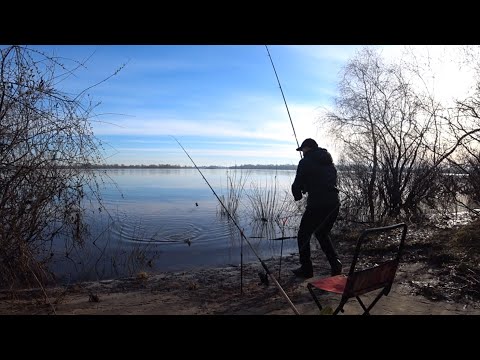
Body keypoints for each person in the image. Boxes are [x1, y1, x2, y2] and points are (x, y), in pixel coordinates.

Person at [291, 138, 342, 279]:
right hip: (334, 203)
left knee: (303, 235)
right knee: (321, 233)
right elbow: (322, 181)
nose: (302, 153)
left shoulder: (305, 162)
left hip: (317, 204)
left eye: (302, 150)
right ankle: (335, 263)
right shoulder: (329, 162)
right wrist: (308, 186)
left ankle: (306, 270)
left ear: (307, 148)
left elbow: (297, 184)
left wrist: (298, 195)